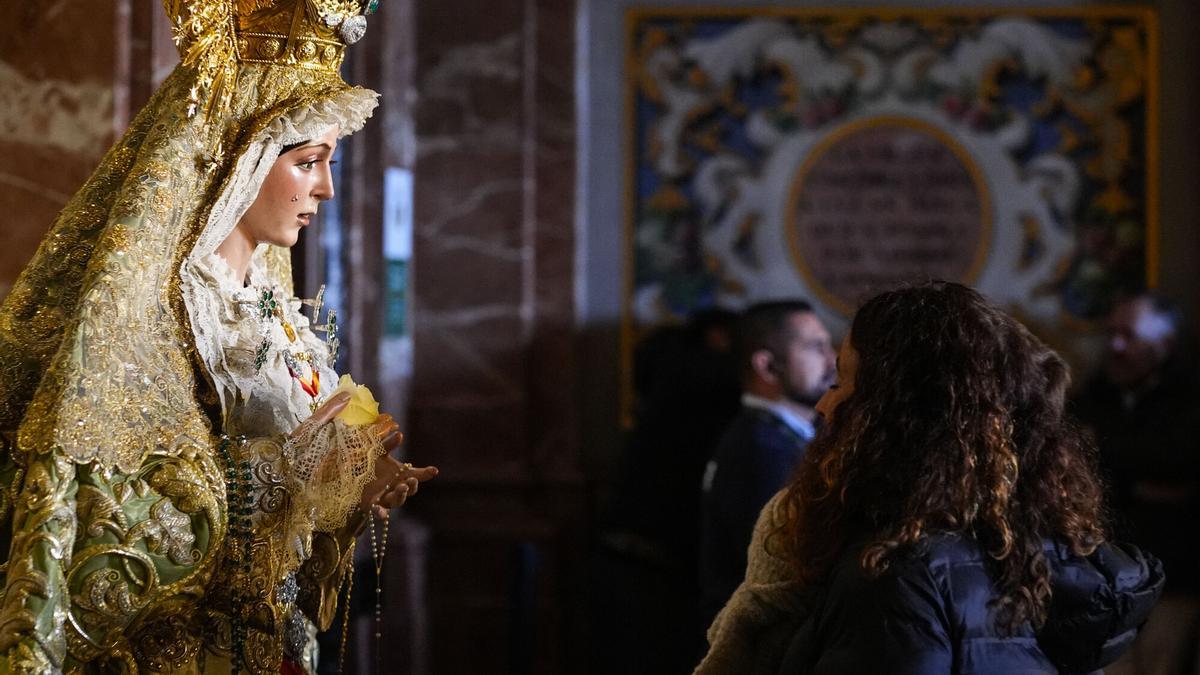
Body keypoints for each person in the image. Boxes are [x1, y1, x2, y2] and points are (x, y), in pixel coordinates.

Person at [0, 1, 435, 672]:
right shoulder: (152, 312)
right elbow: (115, 543)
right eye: (309, 160)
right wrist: (288, 477)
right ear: (243, 156)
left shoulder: (274, 310)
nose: (324, 188)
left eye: (330, 163)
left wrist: (351, 486)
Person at [696, 281, 1164, 674]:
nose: (824, 404)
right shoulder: (1031, 547)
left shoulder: (892, 573)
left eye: (840, 383)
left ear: (892, 417)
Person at [1072, 293, 1200, 674]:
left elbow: (1180, 462)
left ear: (1164, 344)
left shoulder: (1189, 402)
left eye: (1128, 335)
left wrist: (1106, 453)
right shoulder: (1091, 398)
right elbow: (1073, 470)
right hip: (1105, 582)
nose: (1115, 346)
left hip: (1173, 579)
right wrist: (1138, 484)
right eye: (1111, 333)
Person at [698, 300, 834, 630]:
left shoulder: (778, 437)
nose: (833, 360)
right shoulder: (761, 449)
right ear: (767, 366)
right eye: (816, 348)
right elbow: (785, 570)